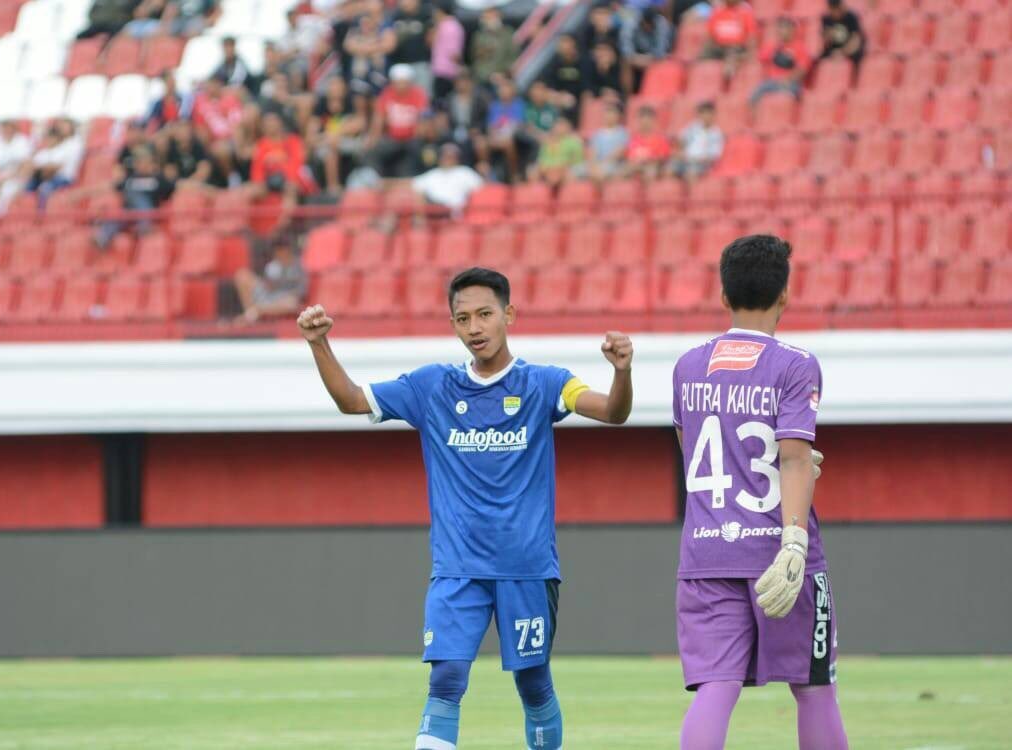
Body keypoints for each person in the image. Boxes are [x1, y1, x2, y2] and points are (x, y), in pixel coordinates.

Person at [296, 267, 634, 750]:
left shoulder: (546, 383)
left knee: (533, 683)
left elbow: (613, 412)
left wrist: (621, 371)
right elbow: (352, 401)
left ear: (508, 315)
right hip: (457, 570)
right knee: (447, 679)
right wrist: (319, 344)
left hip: (527, 569)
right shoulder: (432, 386)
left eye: (484, 314)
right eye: (462, 318)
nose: (474, 327)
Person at [672, 234, 845, 749]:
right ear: (785, 295)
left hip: (706, 551)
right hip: (777, 549)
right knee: (814, 688)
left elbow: (692, 448)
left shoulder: (687, 365)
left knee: (716, 686)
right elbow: (792, 456)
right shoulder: (796, 363)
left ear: (723, 297)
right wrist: (794, 542)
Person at [95, 145, 173, 249]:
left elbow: (177, 186)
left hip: (149, 212)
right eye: (139, 162)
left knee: (133, 194)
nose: (141, 164)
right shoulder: (130, 179)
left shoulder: (158, 179)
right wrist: (79, 194)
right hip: (129, 212)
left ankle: (144, 224)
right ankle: (102, 239)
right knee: (116, 216)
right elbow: (109, 186)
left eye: (144, 161)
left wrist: (199, 187)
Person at [367, 63, 428, 179]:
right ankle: (376, 181)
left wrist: (417, 135)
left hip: (411, 138)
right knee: (372, 151)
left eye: (404, 82)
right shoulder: (387, 94)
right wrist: (374, 138)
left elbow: (422, 119)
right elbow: (379, 118)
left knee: (415, 152)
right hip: (392, 138)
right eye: (398, 82)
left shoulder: (418, 94)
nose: (401, 86)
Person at [306, 76, 366, 194]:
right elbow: (310, 135)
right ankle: (333, 187)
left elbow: (359, 124)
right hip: (324, 144)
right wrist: (325, 138)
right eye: (333, 87)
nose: (336, 90)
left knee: (334, 142)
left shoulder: (350, 102)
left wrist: (335, 134)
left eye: (339, 87)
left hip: (348, 142)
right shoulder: (321, 106)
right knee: (330, 148)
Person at [234, 237, 307, 322]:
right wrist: (270, 284)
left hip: (284, 299)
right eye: (278, 252)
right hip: (267, 296)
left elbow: (301, 291)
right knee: (242, 275)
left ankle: (254, 313)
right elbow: (266, 286)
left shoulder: (299, 266)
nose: (281, 254)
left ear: (288, 250)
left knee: (292, 304)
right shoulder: (272, 266)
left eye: (283, 251)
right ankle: (251, 313)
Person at [751, 17, 810, 107]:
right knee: (754, 96)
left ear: (792, 30)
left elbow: (802, 70)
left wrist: (787, 79)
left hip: (791, 83)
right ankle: (754, 120)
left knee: (783, 99)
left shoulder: (800, 48)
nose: (782, 31)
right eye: (780, 28)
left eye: (785, 28)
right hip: (772, 82)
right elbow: (759, 57)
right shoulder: (773, 46)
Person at [25, 118, 83, 209]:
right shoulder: (57, 146)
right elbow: (33, 163)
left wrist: (40, 168)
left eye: (65, 125)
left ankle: (41, 216)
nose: (62, 128)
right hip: (47, 176)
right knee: (28, 186)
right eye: (61, 126)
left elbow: (57, 166)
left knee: (44, 188)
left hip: (64, 177)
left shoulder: (74, 144)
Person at [412, 142, 483, 214]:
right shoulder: (432, 174)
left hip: (458, 214)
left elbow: (481, 189)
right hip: (434, 213)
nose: (447, 159)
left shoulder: (465, 172)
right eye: (445, 156)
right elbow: (413, 185)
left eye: (451, 156)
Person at [0, 120, 33, 215]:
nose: (6, 130)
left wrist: (12, 177)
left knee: (7, 192)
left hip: (17, 177)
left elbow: (27, 164)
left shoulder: (22, 141)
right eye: (4, 127)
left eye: (9, 127)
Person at [621, 8, 673, 94]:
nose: (648, 26)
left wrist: (649, 60)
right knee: (625, 62)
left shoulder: (662, 24)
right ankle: (627, 97)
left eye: (650, 24)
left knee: (666, 62)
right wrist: (636, 58)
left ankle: (655, 95)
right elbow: (626, 49)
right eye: (646, 23)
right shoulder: (631, 23)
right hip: (636, 57)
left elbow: (661, 50)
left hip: (654, 58)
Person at [701, 0, 758, 78]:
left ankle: (729, 77)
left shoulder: (745, 13)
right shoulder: (717, 12)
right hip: (719, 47)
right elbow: (710, 36)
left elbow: (751, 37)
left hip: (736, 47)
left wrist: (751, 55)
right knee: (703, 56)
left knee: (732, 53)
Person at [573, 103, 629, 181]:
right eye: (608, 113)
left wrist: (602, 164)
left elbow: (619, 153)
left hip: (613, 164)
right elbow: (592, 152)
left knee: (602, 172)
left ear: (619, 116)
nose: (609, 116)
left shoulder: (623, 133)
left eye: (613, 113)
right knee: (573, 171)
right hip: (596, 164)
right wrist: (593, 165)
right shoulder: (597, 134)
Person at [385, 0, 432, 93]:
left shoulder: (425, 14)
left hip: (420, 62)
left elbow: (431, 39)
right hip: (399, 63)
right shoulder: (395, 15)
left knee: (422, 94)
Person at [671, 100, 724, 181]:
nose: (706, 116)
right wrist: (679, 152)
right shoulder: (692, 128)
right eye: (703, 113)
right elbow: (681, 141)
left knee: (691, 173)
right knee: (670, 169)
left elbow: (713, 156)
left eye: (708, 113)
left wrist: (696, 159)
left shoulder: (716, 133)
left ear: (713, 115)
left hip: (702, 164)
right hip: (686, 160)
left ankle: (692, 193)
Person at [471, 7, 518, 90]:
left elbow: (513, 57)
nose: (489, 19)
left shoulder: (507, 34)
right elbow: (476, 60)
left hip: (503, 79)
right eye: (486, 17)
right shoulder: (479, 36)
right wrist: (488, 76)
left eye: (492, 16)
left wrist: (503, 74)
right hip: (483, 80)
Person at [532, 115, 583, 187]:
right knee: (533, 172)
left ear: (568, 127)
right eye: (558, 125)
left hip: (566, 168)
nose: (559, 128)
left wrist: (561, 167)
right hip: (549, 168)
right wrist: (548, 168)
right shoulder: (548, 142)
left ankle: (568, 195)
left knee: (570, 174)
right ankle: (537, 195)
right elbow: (542, 159)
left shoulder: (574, 141)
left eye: (562, 125)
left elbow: (576, 160)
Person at [624, 104, 672, 181]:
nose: (645, 122)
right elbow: (630, 157)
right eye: (642, 119)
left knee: (651, 171)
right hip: (636, 166)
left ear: (653, 120)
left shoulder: (660, 139)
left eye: (648, 119)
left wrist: (649, 161)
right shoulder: (634, 139)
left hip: (652, 166)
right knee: (623, 171)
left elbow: (662, 157)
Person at [430, 0, 466, 103]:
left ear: (441, 11)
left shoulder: (450, 27)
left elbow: (454, 54)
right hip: (441, 72)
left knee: (444, 105)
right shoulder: (443, 25)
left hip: (447, 73)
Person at [543, 34, 584, 119]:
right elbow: (549, 85)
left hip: (579, 99)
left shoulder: (583, 61)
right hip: (562, 98)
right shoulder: (555, 63)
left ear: (573, 44)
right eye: (561, 42)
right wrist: (559, 96)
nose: (562, 45)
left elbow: (586, 85)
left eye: (565, 42)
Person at [819, 0, 864, 67]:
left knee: (858, 58)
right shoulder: (826, 19)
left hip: (850, 50)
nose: (835, 13)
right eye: (832, 10)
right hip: (834, 50)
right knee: (819, 60)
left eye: (837, 9)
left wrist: (842, 52)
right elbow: (825, 41)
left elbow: (856, 40)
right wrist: (828, 35)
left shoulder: (851, 17)